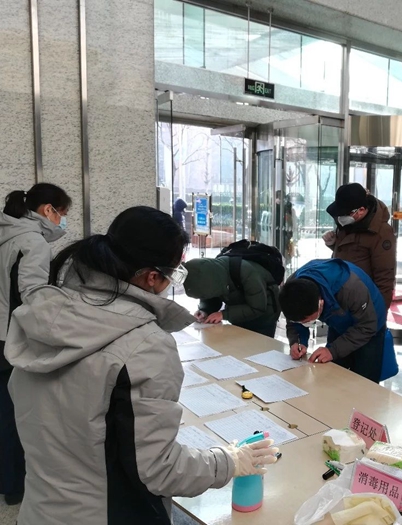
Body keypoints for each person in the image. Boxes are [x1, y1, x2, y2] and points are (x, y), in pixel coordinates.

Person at [4, 207, 278, 525]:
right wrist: (228, 461)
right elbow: (159, 470)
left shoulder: (42, 317)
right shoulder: (145, 346)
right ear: (152, 277)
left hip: (39, 510)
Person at [0, 183, 71, 506]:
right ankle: (16, 486)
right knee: (16, 415)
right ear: (48, 210)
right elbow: (32, 298)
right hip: (10, 339)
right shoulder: (33, 243)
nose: (62, 221)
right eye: (62, 214)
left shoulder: (6, 233)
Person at [280, 259, 386, 382]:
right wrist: (297, 342)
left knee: (364, 379)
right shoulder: (291, 290)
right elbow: (294, 320)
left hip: (370, 322)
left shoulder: (350, 288)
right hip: (338, 319)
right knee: (332, 375)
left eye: (307, 320)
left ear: (320, 304)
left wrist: (332, 350)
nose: (304, 324)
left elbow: (367, 325)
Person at [323, 183, 396, 309]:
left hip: (364, 303)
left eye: (344, 215)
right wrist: (333, 244)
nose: (340, 218)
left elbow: (384, 276)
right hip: (341, 297)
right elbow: (353, 253)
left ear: (361, 210)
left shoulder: (381, 232)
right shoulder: (348, 224)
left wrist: (379, 311)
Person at [183, 255, 281, 338]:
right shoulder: (213, 274)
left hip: (264, 318)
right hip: (240, 316)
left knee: (260, 349)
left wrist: (224, 314)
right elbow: (212, 296)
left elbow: (258, 307)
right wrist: (205, 310)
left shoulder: (246, 272)